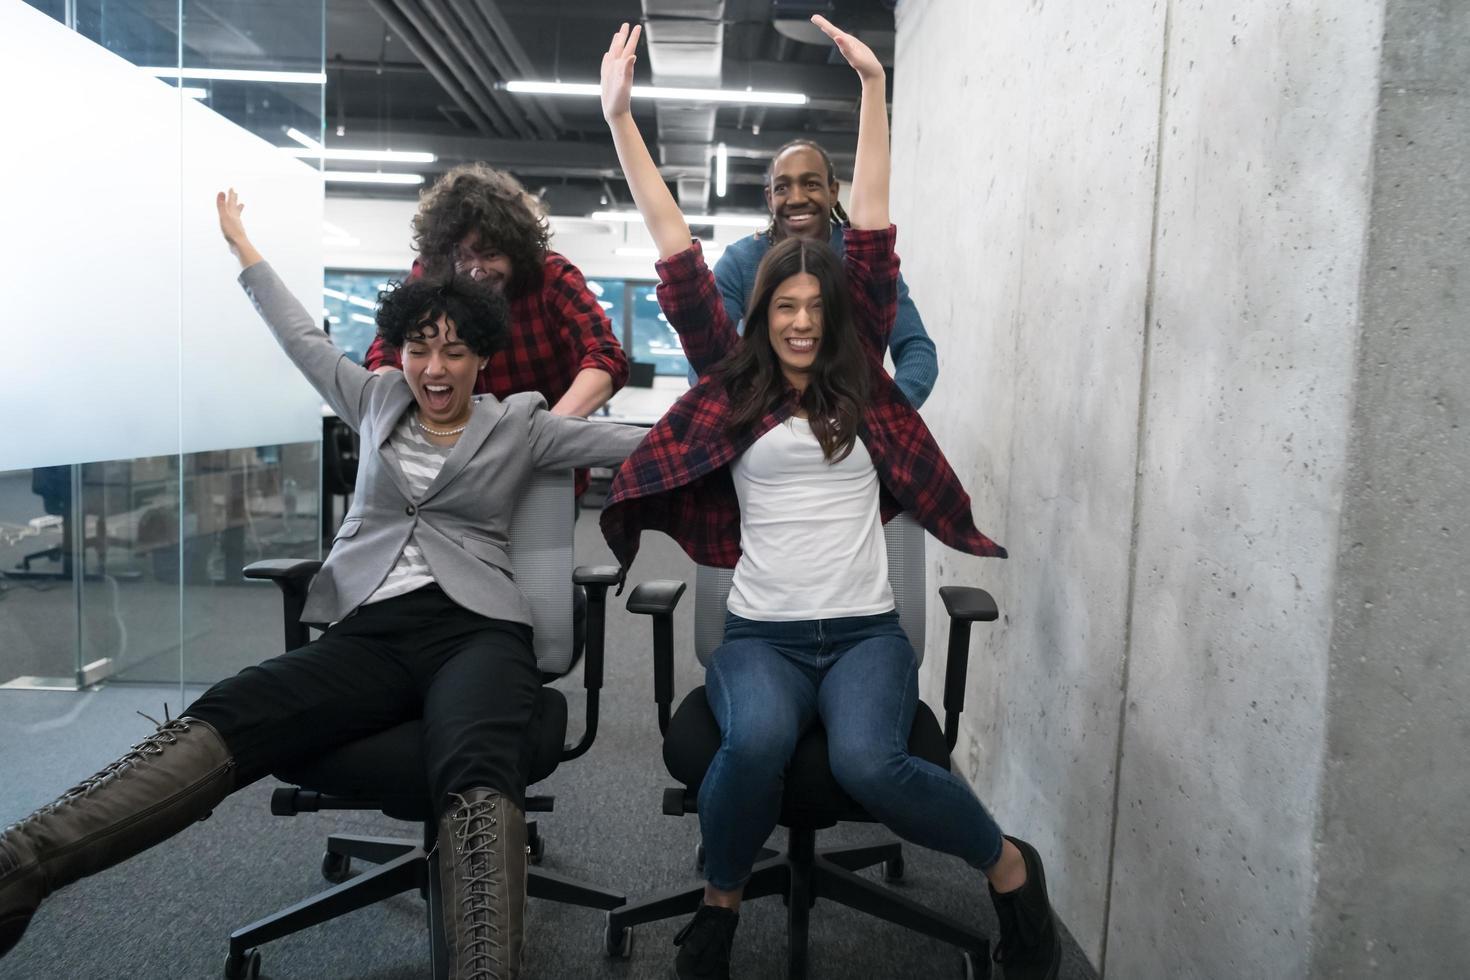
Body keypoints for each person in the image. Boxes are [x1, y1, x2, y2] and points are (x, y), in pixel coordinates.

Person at [0, 190, 647, 980]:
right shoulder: (372, 398)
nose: (433, 368)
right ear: (398, 351)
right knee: (237, 706)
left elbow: (636, 442)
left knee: (478, 758)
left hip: (478, 629)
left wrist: (754, 416)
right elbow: (299, 335)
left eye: (452, 351)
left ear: (482, 356)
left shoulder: (520, 422)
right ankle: (21, 867)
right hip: (370, 629)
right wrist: (244, 249)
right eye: (418, 348)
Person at [596, 19, 1061, 980]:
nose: (803, 321)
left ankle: (1012, 869)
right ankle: (721, 903)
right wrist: (620, 120)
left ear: (840, 318)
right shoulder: (732, 388)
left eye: (818, 308)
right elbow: (677, 251)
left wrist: (876, 88)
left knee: (869, 764)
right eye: (785, 308)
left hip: (862, 635)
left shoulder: (867, 394)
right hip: (761, 634)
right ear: (761, 316)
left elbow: (878, 235)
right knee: (757, 738)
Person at [364, 162, 630, 497]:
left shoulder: (552, 278)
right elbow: (383, 354)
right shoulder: (432, 276)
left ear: (517, 251)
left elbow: (605, 357)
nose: (477, 271)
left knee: (538, 550)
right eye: (463, 257)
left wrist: (540, 433)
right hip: (453, 467)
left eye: (491, 255)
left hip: (540, 469)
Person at [688, 142, 939, 408]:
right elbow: (707, 356)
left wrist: (886, 416)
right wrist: (746, 419)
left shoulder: (865, 261)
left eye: (810, 185)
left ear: (832, 192)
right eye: (782, 187)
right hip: (766, 413)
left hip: (848, 418)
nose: (796, 198)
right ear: (769, 198)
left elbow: (916, 346)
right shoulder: (739, 261)